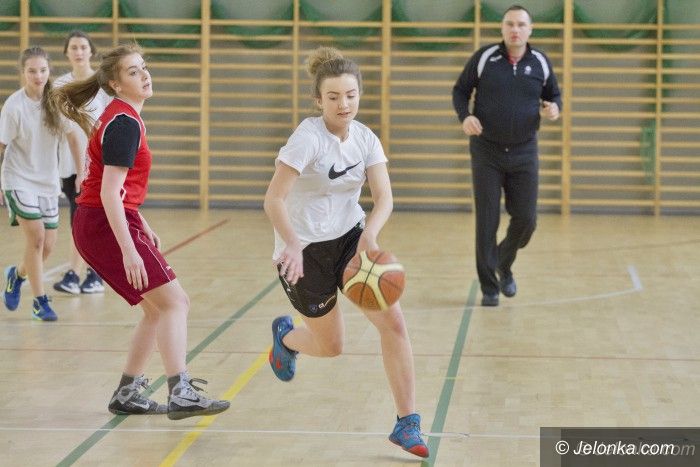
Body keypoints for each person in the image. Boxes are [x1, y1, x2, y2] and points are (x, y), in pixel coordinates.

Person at [263, 46, 429, 458]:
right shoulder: (307, 139)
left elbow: (384, 197)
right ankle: (286, 338)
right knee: (331, 346)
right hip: (303, 251)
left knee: (394, 324)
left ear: (359, 95)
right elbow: (274, 199)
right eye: (334, 96)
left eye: (351, 95)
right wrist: (292, 242)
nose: (344, 104)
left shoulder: (365, 138)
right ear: (318, 100)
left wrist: (370, 235)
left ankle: (407, 422)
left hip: (350, 240)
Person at [51, 44, 230, 419]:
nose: (145, 74)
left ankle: (127, 392)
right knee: (175, 303)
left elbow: (117, 189)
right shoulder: (124, 123)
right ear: (116, 84)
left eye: (144, 67)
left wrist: (141, 222)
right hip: (102, 223)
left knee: (156, 310)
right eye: (133, 71)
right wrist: (129, 249)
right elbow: (107, 192)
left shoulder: (124, 117)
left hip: (101, 220)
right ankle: (180, 391)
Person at [452, 4, 562, 307]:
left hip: (525, 152)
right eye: (510, 24)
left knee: (526, 219)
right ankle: (490, 287)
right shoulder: (485, 58)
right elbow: (460, 91)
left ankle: (502, 261)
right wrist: (465, 116)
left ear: (530, 29)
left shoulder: (540, 62)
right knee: (487, 221)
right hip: (486, 152)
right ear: (502, 28)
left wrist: (554, 107)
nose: (515, 29)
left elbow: (553, 94)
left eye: (521, 24)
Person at [1, 46, 84, 321]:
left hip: (48, 181)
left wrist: (81, 172)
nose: (38, 76)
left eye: (43, 70)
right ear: (23, 73)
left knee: (47, 246)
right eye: (32, 71)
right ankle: (40, 303)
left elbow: (74, 137)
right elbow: (2, 145)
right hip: (17, 178)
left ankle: (16, 275)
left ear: (49, 71)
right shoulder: (14, 106)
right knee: (36, 238)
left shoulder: (57, 101)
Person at [53, 30, 111, 296]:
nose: (78, 52)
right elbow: (65, 131)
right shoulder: (60, 85)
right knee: (80, 221)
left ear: (91, 51)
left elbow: (108, 123)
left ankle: (81, 274)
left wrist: (88, 169)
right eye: (73, 47)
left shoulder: (101, 84)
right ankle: (89, 274)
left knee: (83, 220)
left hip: (95, 165)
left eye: (83, 47)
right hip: (68, 164)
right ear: (66, 52)